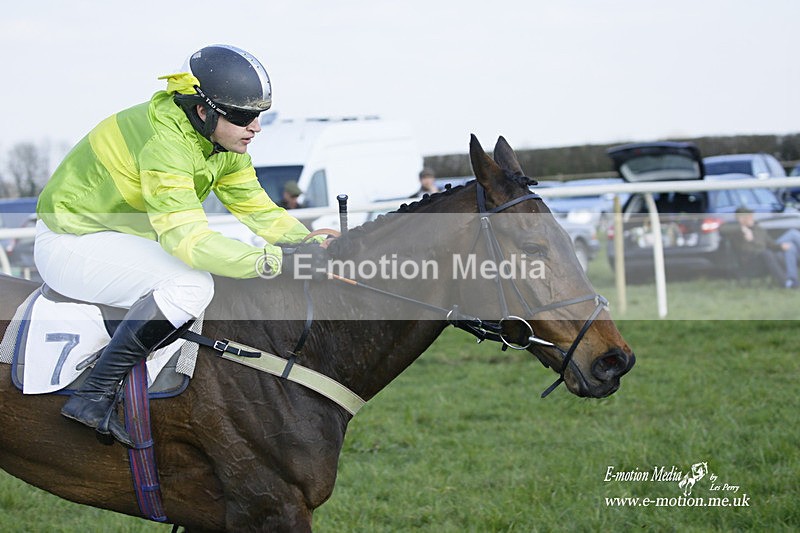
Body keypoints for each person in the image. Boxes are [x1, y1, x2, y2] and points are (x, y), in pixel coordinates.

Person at [34, 44, 325, 447]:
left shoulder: (222, 144)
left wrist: (309, 243)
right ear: (203, 111)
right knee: (192, 285)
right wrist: (271, 262)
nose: (255, 127)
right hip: (71, 241)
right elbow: (186, 240)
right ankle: (93, 394)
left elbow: (256, 207)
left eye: (260, 115)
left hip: (114, 238)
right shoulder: (165, 143)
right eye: (243, 116)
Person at [730, 207, 800, 288]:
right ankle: (785, 282)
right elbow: (747, 251)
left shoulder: (759, 229)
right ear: (740, 219)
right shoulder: (737, 233)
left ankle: (792, 280)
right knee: (767, 252)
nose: (750, 218)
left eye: (750, 215)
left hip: (768, 257)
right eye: (746, 217)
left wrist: (781, 246)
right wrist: (750, 239)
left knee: (790, 247)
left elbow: (771, 244)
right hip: (754, 261)